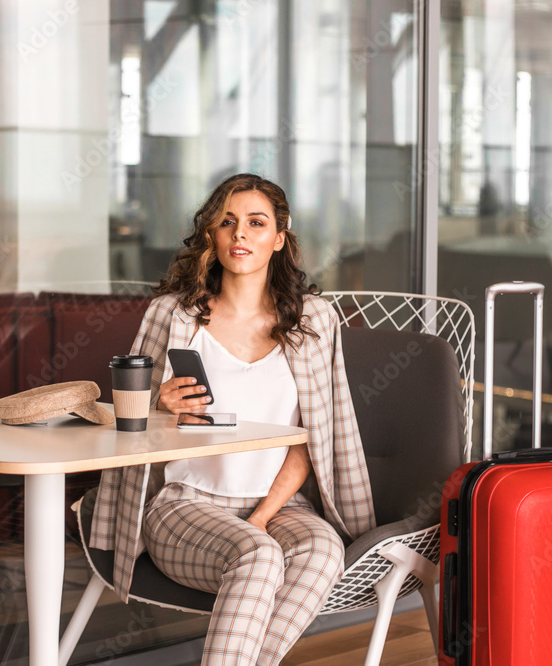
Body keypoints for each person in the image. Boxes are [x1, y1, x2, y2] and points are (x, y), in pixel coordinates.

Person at [89, 173, 376, 665]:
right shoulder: (172, 316)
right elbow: (124, 423)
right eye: (228, 222)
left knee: (322, 551)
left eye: (256, 223)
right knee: (258, 555)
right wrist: (159, 403)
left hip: (281, 503)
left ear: (279, 238)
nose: (240, 234)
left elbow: (312, 442)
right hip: (186, 504)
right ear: (212, 236)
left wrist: (263, 516)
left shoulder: (314, 321)